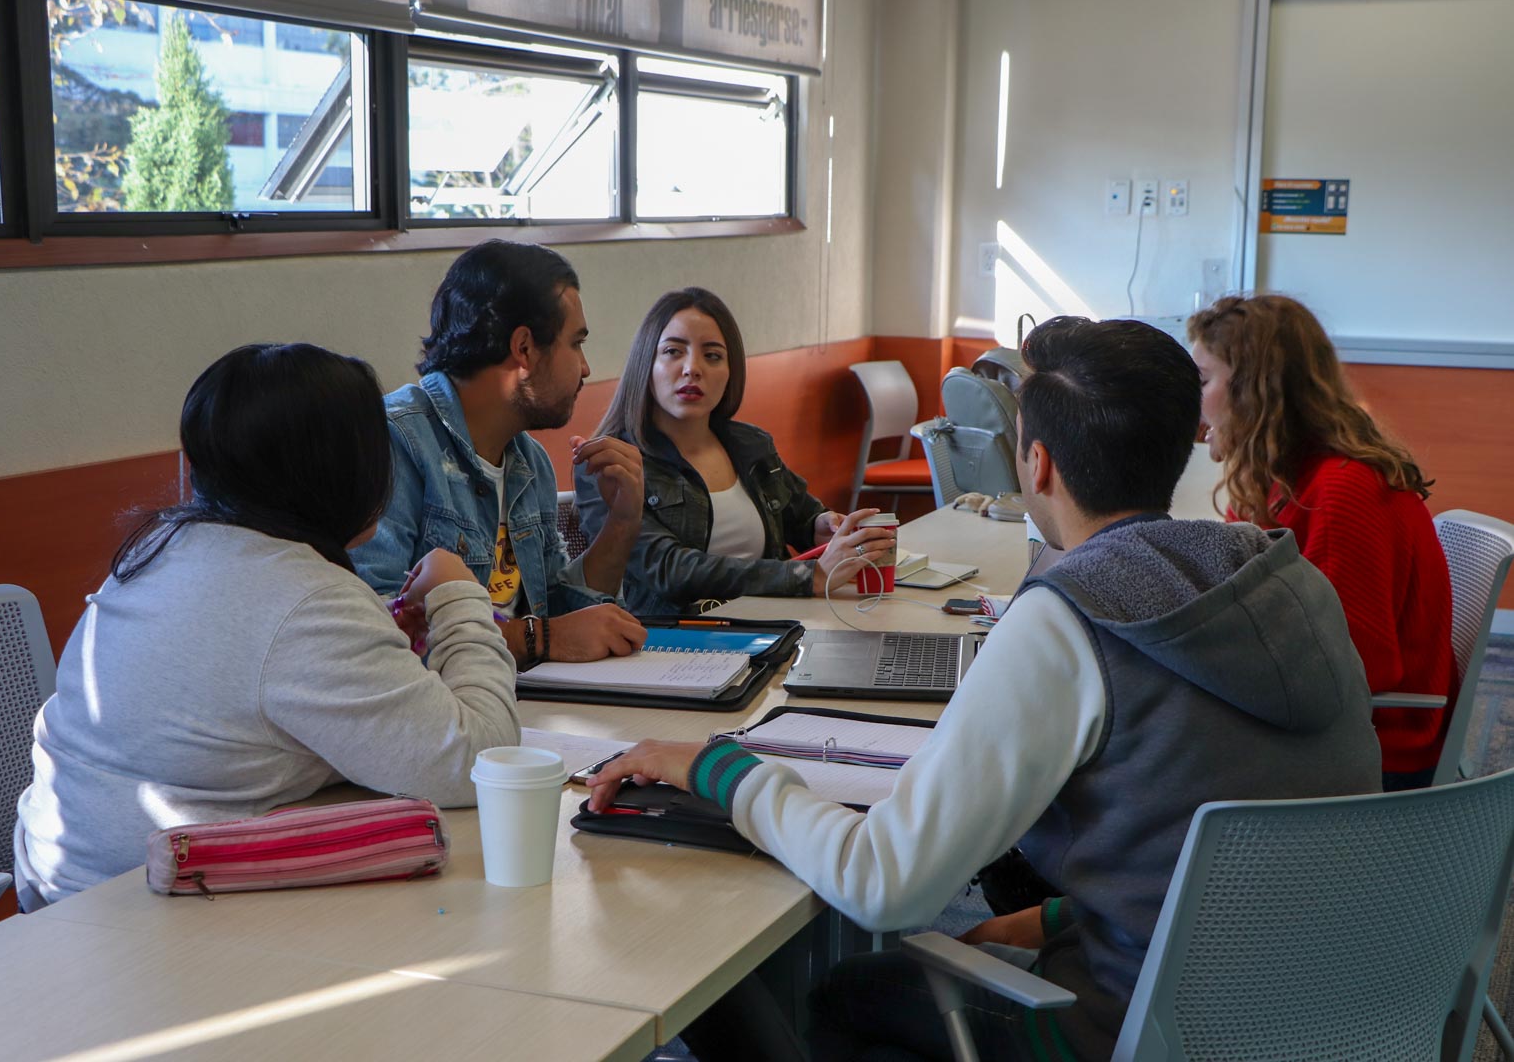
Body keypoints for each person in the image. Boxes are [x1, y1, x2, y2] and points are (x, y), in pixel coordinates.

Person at [587, 317, 1382, 1060]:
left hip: (1145, 1029)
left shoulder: (1072, 619)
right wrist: (1060, 914)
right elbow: (1241, 834)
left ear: (1035, 464)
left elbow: (882, 883)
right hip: (1316, 997)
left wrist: (716, 767)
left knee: (847, 995)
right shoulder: (1281, 575)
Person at [14, 343, 519, 910]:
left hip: (57, 885)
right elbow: (481, 762)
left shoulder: (157, 552)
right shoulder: (305, 599)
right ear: (341, 473)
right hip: (152, 914)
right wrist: (458, 593)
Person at [1189, 294, 1456, 790]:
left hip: (1374, 743)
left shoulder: (1339, 489)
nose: (1194, 398)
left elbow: (1355, 668)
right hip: (1331, 714)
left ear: (1253, 390)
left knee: (1156, 758)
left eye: (1204, 380)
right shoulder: (1279, 476)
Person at [351, 240, 648, 666]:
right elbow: (375, 623)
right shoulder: (394, 441)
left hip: (523, 703)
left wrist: (622, 522)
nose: (586, 368)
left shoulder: (530, 462)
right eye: (576, 343)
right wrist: (534, 637)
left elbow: (561, 618)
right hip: (443, 717)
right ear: (524, 348)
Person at [575, 286, 895, 615]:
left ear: (730, 373)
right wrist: (808, 576)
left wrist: (822, 525)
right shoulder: (611, 463)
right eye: (673, 351)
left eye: (712, 355)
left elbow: (802, 516)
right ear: (646, 362)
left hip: (775, 627)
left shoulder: (751, 444)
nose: (692, 368)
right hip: (672, 645)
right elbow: (669, 570)